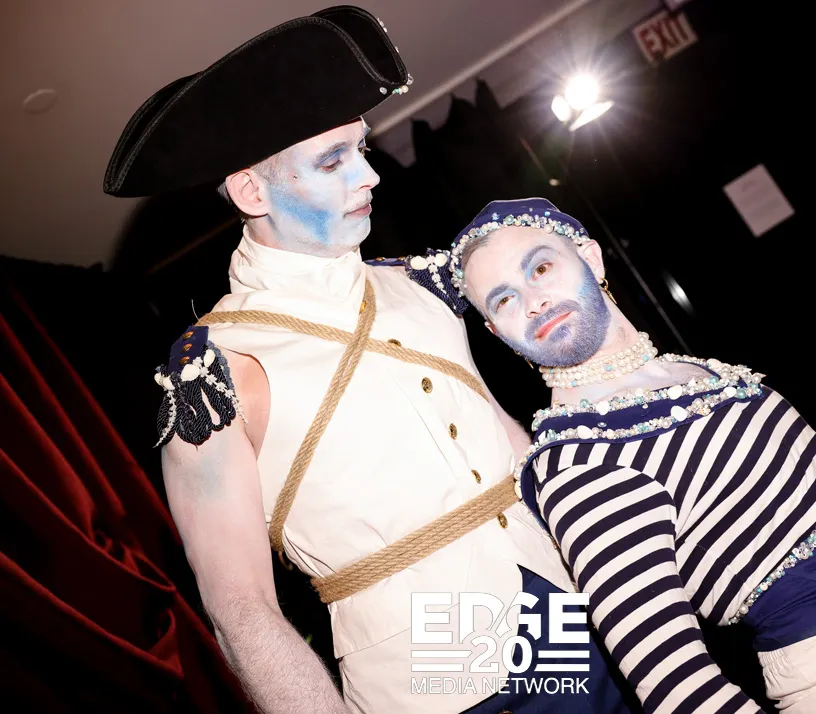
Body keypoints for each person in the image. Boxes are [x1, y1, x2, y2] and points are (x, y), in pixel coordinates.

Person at [104, 9, 638, 714]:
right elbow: (241, 610)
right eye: (333, 161)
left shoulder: (420, 284)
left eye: (361, 147)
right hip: (441, 669)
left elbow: (508, 444)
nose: (369, 175)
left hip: (576, 602)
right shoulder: (216, 368)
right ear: (252, 191)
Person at [450, 197, 816, 713]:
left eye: (541, 268)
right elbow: (674, 684)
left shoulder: (691, 371)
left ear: (590, 257)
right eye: (504, 300)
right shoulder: (576, 463)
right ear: (497, 332)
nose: (533, 301)